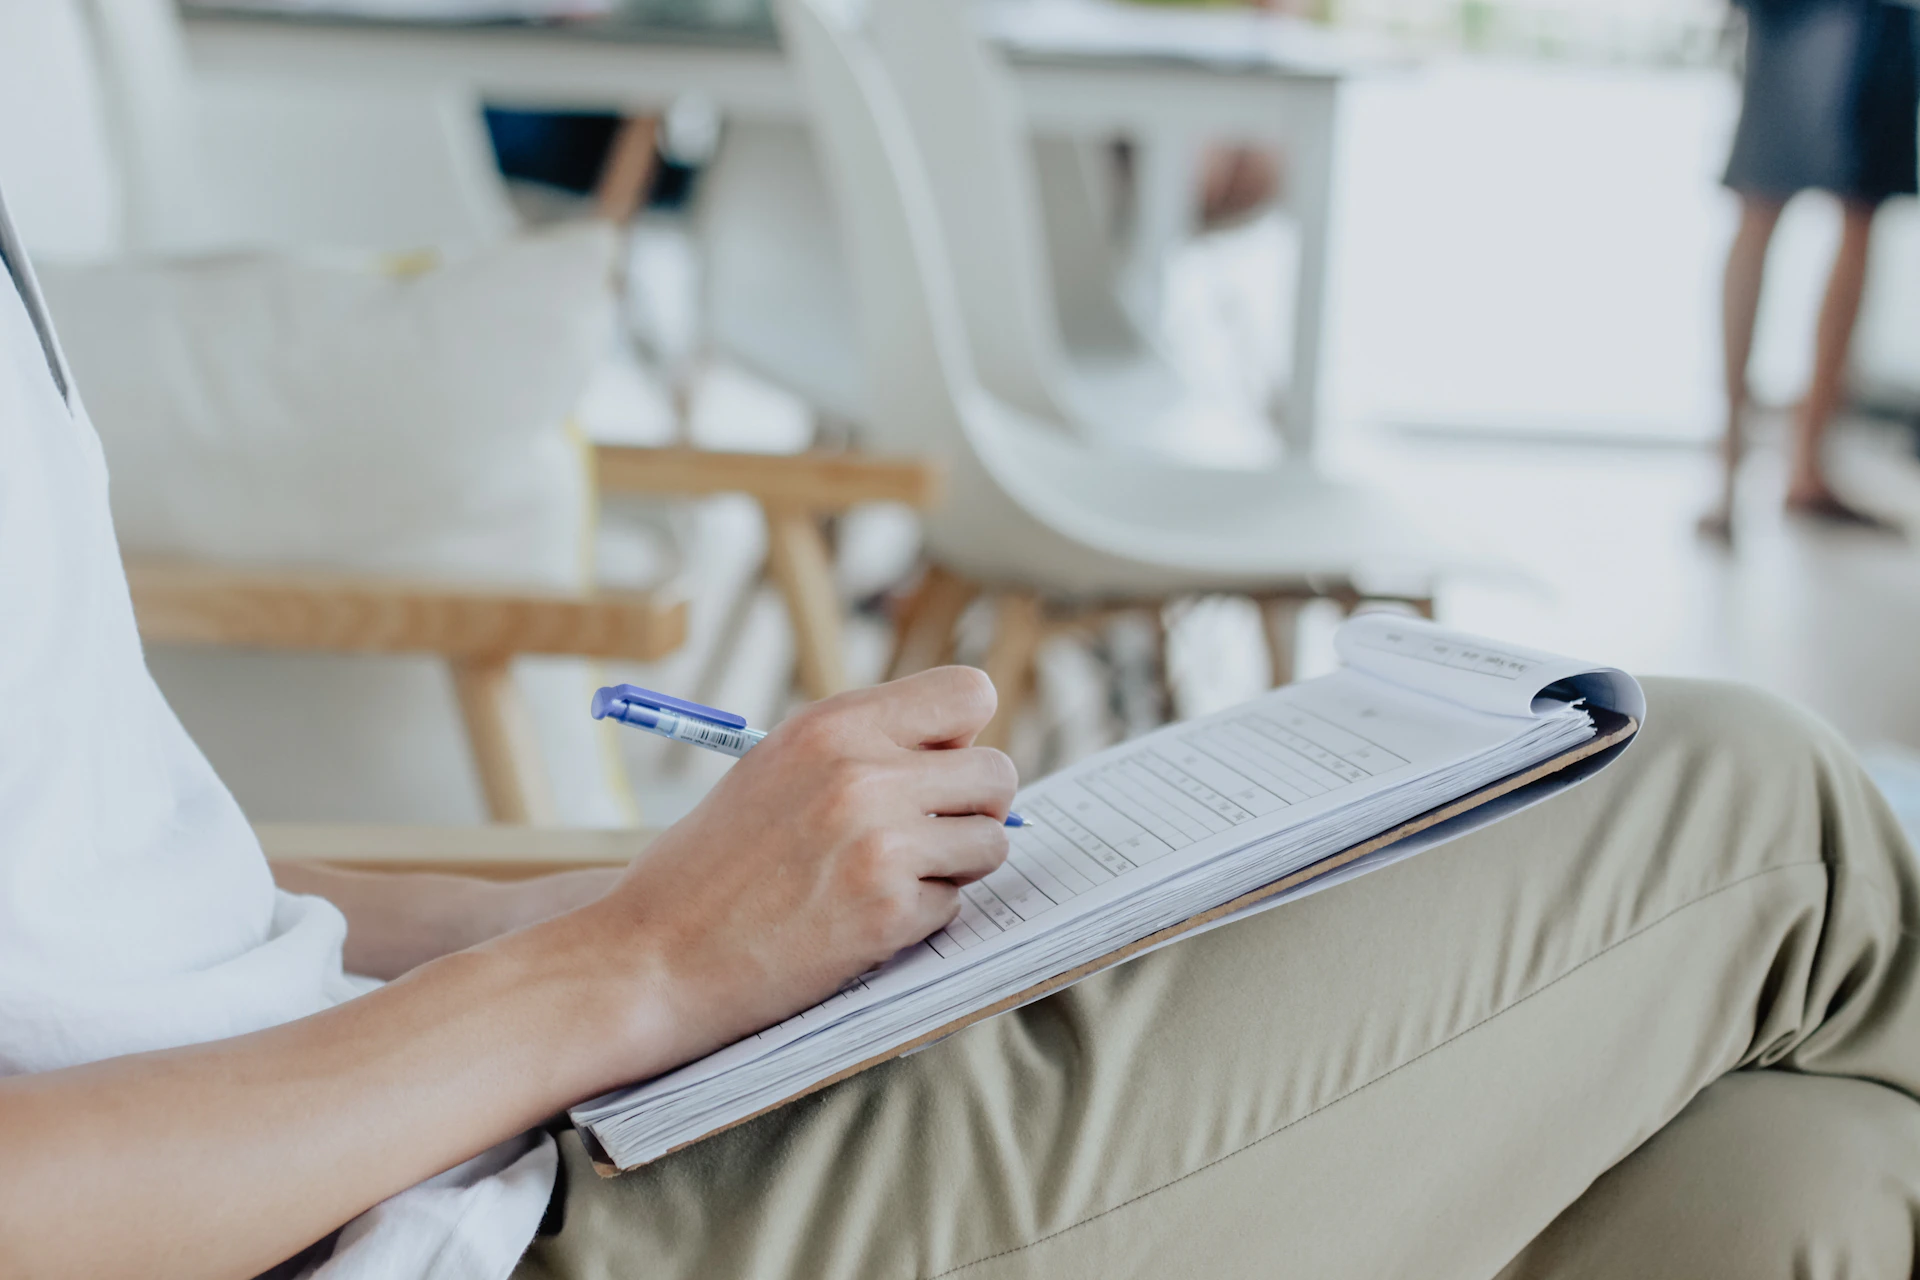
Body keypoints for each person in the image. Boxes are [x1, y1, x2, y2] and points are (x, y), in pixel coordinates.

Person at [1, 179, 1918, 1280]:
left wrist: (509, 917)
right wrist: (636, 963)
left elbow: (66, 880)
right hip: (432, 1236)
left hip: (432, 1112)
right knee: (1748, 810)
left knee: (1784, 1194)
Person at [1704, 0, 1918, 541]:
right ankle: (1729, 464)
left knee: (1861, 212)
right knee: (1760, 203)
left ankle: (1809, 466)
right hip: (1793, 12)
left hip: (1886, 14)